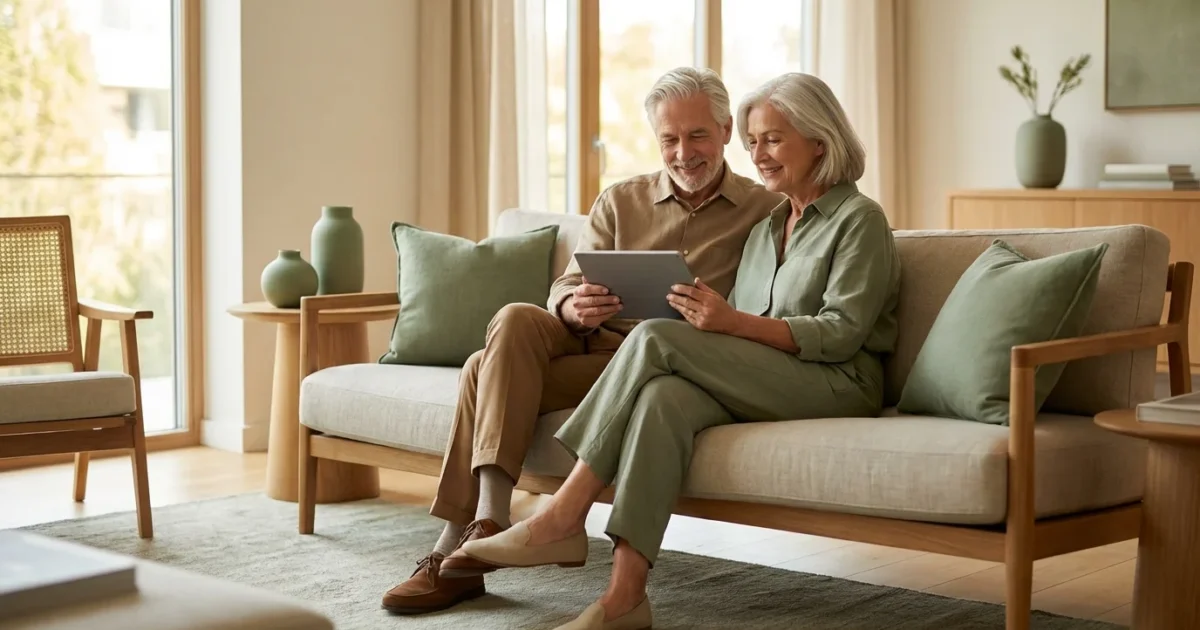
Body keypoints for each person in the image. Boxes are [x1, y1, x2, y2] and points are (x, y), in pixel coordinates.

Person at [447, 72, 902, 629]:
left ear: (820, 142)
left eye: (774, 139)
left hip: (838, 380)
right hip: (766, 372)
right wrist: (583, 307)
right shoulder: (769, 227)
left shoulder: (861, 220)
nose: (759, 153)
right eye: (755, 141)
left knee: (656, 336)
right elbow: (744, 322)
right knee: (661, 397)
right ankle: (624, 599)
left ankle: (563, 514)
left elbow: (843, 333)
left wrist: (727, 321)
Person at [381, 67, 783, 614]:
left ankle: (455, 549)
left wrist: (723, 315)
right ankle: (492, 521)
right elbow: (566, 282)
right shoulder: (620, 201)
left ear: (725, 132)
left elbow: (768, 305)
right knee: (516, 319)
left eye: (697, 136)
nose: (683, 153)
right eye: (669, 139)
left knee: (481, 365)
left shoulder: (766, 211)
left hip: (655, 364)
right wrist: (572, 304)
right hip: (586, 347)